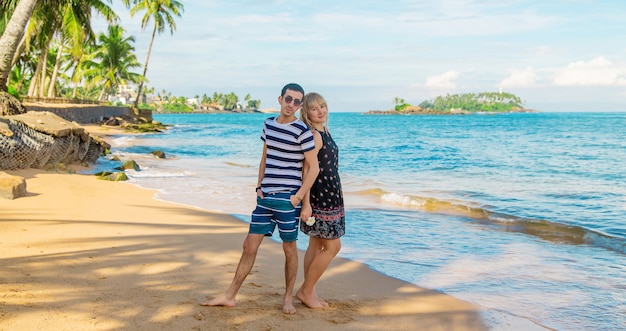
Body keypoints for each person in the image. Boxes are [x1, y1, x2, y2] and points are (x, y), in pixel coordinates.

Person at [200, 83, 320, 314]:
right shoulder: (268, 125)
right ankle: (230, 296)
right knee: (249, 246)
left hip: (287, 199)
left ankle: (287, 299)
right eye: (288, 99)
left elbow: (312, 168)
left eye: (297, 102)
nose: (292, 105)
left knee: (289, 250)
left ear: (300, 105)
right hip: (265, 198)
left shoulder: (303, 131)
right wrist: (258, 187)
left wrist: (298, 198)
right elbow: (265, 157)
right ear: (280, 99)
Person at [296, 92, 345, 308]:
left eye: (323, 106)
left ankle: (310, 292)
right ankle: (306, 291)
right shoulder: (315, 135)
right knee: (333, 247)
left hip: (331, 194)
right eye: (314, 108)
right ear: (306, 112)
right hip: (320, 196)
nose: (320, 111)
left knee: (316, 245)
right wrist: (306, 204)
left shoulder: (325, 131)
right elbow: (307, 169)